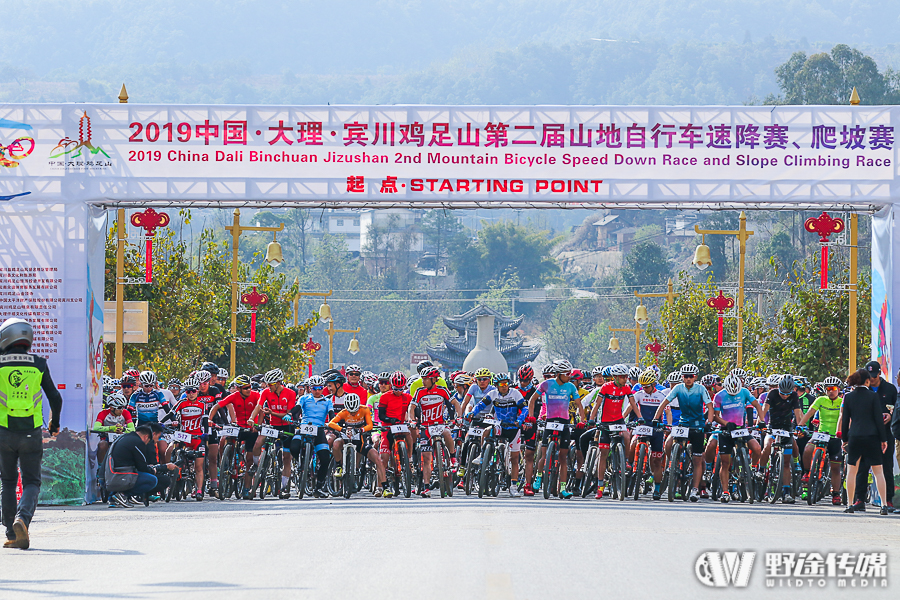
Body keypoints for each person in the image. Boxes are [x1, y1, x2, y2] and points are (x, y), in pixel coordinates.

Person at [0, 318, 63, 549]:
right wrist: (54, 424)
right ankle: (22, 520)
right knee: (32, 482)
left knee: (7, 481)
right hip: (31, 434)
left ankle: (11, 533)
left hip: (4, 434)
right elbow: (55, 397)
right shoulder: (38, 363)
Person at [652, 363, 713, 502]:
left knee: (697, 459)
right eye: (685, 377)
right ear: (682, 377)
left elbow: (710, 406)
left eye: (690, 376)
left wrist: (708, 423)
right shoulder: (678, 388)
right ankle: (672, 465)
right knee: (668, 443)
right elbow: (664, 403)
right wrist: (656, 418)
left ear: (695, 377)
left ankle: (695, 489)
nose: (688, 379)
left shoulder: (701, 389)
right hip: (683, 424)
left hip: (697, 425)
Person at [468, 372, 527, 496]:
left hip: (513, 427)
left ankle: (514, 487)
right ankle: (483, 456)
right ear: (496, 385)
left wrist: (520, 420)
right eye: (501, 384)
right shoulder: (492, 394)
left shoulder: (515, 393)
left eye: (506, 383)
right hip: (500, 425)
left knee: (514, 459)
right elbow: (480, 405)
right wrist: (472, 412)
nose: (504, 386)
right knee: (487, 431)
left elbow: (525, 408)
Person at [840, 368, 889, 514]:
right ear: (867, 381)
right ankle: (884, 505)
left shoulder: (848, 397)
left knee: (852, 471)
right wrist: (883, 439)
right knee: (878, 472)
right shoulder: (873, 396)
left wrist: (844, 439)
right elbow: (878, 420)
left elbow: (845, 420)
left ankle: (849, 504)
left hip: (854, 436)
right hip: (872, 437)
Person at [710, 374, 764, 503]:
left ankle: (754, 468)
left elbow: (757, 405)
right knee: (725, 462)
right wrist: (725, 423)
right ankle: (725, 492)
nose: (733, 395)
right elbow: (715, 416)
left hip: (741, 429)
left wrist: (761, 420)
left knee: (757, 448)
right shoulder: (719, 396)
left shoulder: (744, 392)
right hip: (726, 429)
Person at [589, 364, 639, 500]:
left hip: (618, 420)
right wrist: (592, 419)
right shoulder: (606, 387)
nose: (625, 379)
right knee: (603, 454)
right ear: (615, 377)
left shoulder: (627, 388)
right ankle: (600, 486)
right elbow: (597, 404)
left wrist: (639, 417)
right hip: (605, 422)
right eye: (623, 377)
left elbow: (633, 403)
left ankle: (626, 461)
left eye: (626, 377)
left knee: (627, 435)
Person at [411, 367, 460, 498]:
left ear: (434, 380)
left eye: (426, 379)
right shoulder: (419, 391)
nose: (423, 381)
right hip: (425, 427)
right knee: (426, 459)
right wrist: (412, 420)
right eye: (423, 378)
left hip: (439, 424)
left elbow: (455, 403)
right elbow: (412, 407)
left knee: (447, 433)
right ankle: (427, 487)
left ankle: (453, 457)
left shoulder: (442, 390)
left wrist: (459, 417)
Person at [327, 392, 388, 497]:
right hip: (345, 440)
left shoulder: (364, 409)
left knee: (377, 458)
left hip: (360, 441)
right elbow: (331, 423)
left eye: (355, 411)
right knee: (336, 444)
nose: (353, 414)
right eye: (351, 412)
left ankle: (384, 487)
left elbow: (370, 425)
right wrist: (342, 429)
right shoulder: (343, 412)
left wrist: (361, 430)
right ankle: (338, 466)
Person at [105, 423, 177, 508]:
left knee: (144, 475)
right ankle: (123, 495)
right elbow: (142, 467)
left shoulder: (125, 438)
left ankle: (113, 499)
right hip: (118, 477)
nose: (148, 444)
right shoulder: (137, 442)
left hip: (109, 477)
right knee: (152, 480)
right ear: (146, 437)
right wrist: (157, 469)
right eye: (149, 441)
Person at [210, 374, 260, 495]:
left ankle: (247, 488)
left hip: (252, 429)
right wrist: (209, 419)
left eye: (250, 387)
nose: (249, 389)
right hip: (238, 427)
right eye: (246, 388)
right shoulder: (234, 396)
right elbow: (217, 406)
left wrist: (257, 424)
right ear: (238, 389)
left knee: (249, 460)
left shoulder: (256, 395)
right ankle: (227, 462)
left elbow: (261, 408)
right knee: (224, 439)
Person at [536, 359, 580, 498]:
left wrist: (583, 420)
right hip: (550, 420)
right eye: (567, 373)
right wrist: (532, 416)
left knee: (563, 458)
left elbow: (579, 404)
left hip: (564, 421)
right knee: (544, 454)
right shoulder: (546, 384)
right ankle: (538, 477)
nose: (569, 376)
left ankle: (562, 488)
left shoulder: (571, 386)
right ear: (559, 374)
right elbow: (532, 400)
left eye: (570, 373)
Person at [250, 368, 297, 499]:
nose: (268, 387)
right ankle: (256, 465)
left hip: (287, 426)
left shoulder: (291, 393)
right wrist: (251, 418)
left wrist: (271, 413)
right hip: (273, 425)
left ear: (278, 383)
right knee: (258, 443)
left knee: (286, 458)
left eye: (270, 384)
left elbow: (287, 415)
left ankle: (283, 488)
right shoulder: (265, 392)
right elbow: (258, 406)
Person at [758, 374, 804, 504]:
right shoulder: (772, 394)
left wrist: (800, 426)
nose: (784, 396)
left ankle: (786, 492)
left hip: (786, 428)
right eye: (782, 393)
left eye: (787, 394)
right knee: (767, 446)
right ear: (778, 388)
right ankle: (761, 469)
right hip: (773, 426)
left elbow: (797, 412)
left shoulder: (794, 396)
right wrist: (761, 422)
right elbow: (764, 409)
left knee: (786, 463)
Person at [799, 375, 844, 506]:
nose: (831, 391)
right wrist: (800, 425)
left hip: (835, 436)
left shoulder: (842, 401)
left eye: (833, 388)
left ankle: (836, 494)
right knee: (807, 449)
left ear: (838, 389)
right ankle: (807, 473)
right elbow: (809, 413)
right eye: (828, 388)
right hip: (821, 433)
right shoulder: (821, 399)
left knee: (835, 467)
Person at [860, 361, 897, 511]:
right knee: (862, 467)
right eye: (869, 376)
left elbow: (896, 407)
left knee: (886, 466)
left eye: (874, 376)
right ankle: (859, 499)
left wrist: (890, 415)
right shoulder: (862, 390)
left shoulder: (890, 389)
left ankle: (888, 500)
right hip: (865, 433)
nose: (872, 379)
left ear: (879, 374)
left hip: (885, 433)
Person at [290, 375, 335, 498]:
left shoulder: (327, 401)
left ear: (323, 388)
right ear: (310, 388)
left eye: (320, 388)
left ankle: (318, 487)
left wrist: (333, 423)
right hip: (304, 426)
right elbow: (297, 408)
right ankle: (299, 464)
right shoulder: (304, 398)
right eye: (314, 388)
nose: (317, 390)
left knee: (325, 458)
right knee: (293, 447)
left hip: (319, 429)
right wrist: (290, 414)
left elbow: (332, 415)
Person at [93, 393, 135, 480]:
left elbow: (132, 429)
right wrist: (111, 428)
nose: (122, 410)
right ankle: (101, 467)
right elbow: (96, 427)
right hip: (107, 438)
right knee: (102, 445)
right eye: (119, 408)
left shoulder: (126, 413)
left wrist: (123, 430)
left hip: (121, 439)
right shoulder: (103, 413)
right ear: (111, 408)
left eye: (123, 407)